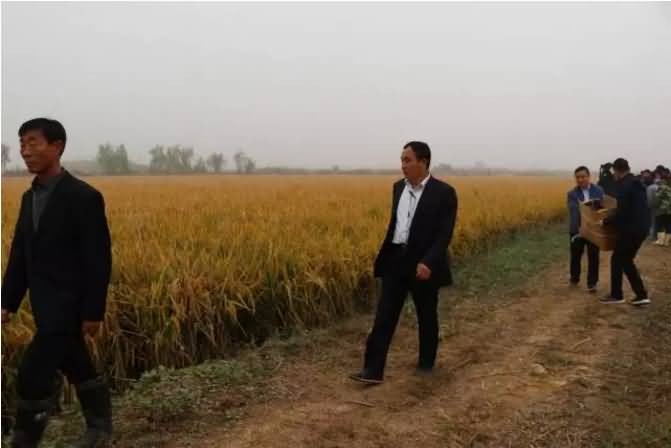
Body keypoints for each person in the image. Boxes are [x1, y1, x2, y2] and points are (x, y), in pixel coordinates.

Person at [1, 118, 113, 447]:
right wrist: (7, 302)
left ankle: (24, 441)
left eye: (33, 142)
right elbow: (21, 255)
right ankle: (100, 429)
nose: (25, 151)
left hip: (69, 306)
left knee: (31, 374)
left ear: (57, 146)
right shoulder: (29, 198)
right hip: (44, 304)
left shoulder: (84, 197)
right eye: (22, 144)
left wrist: (93, 311)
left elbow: (98, 258)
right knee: (76, 363)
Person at [349, 141, 458, 384]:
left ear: (423, 162)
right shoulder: (398, 188)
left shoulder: (444, 193)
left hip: (423, 264)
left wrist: (428, 262)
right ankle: (372, 371)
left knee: (426, 316)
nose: (403, 165)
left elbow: (444, 234)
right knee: (384, 316)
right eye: (401, 160)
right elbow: (396, 225)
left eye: (407, 160)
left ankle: (426, 365)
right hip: (396, 260)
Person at [600, 158, 650, 306]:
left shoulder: (624, 186)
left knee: (617, 259)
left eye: (614, 173)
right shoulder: (637, 182)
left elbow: (622, 212)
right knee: (626, 260)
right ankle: (641, 295)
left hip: (631, 230)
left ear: (616, 171)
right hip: (642, 228)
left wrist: (605, 221)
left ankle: (617, 295)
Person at [567, 166, 604, 293]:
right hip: (577, 229)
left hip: (594, 229)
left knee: (594, 256)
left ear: (589, 176)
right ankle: (574, 278)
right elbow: (574, 211)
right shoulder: (572, 193)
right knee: (575, 255)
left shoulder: (599, 190)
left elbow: (601, 209)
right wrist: (580, 227)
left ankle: (592, 283)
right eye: (577, 177)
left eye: (583, 176)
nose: (580, 179)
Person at [653, 168, 671, 247]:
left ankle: (660, 241)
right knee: (668, 224)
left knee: (660, 224)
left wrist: (655, 205)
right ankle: (666, 242)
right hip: (669, 209)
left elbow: (657, 198)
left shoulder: (662, 186)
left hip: (662, 208)